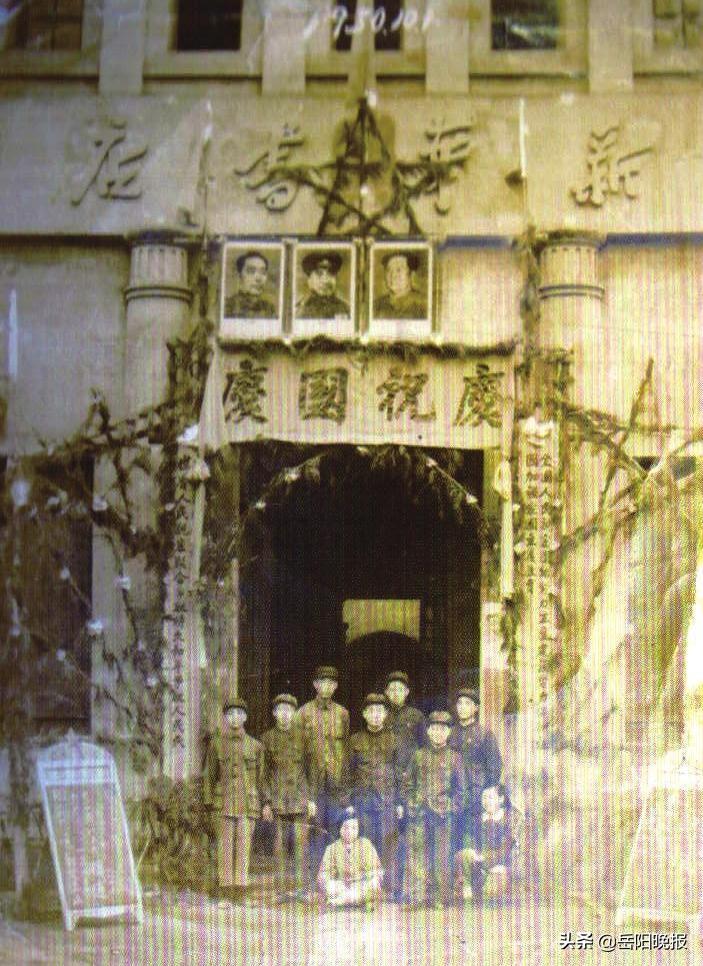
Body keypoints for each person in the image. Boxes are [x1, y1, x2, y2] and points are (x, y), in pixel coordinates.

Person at [203, 697, 263, 905]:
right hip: (224, 804)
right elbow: (209, 776)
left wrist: (261, 804)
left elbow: (261, 779)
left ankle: (241, 893)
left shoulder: (255, 746)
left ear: (245, 717)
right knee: (225, 849)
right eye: (230, 714)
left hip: (247, 804)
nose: (235, 717)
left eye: (239, 713)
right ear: (226, 718)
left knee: (243, 848)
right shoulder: (216, 745)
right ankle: (226, 894)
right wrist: (209, 804)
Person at [403, 710, 465, 908]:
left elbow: (461, 791)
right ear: (428, 731)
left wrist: (449, 807)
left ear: (449, 732)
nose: (438, 733)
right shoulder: (418, 755)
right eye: (434, 729)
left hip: (442, 815)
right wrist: (412, 804)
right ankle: (416, 897)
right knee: (417, 855)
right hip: (420, 813)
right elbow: (407, 784)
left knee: (441, 857)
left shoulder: (455, 758)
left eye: (443, 729)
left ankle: (440, 898)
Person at [261, 693, 316, 901]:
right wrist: (266, 802)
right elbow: (264, 774)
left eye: (289, 710)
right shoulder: (267, 739)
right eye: (280, 710)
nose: (285, 714)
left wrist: (311, 799)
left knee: (302, 846)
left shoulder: (304, 737)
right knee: (279, 847)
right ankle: (281, 891)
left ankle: (302, 890)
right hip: (278, 801)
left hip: (300, 799)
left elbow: (311, 770)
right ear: (274, 713)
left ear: (294, 713)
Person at [297, 665, 350, 883]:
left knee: (335, 829)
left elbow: (345, 752)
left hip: (335, 784)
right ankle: (313, 880)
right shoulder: (303, 713)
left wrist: (345, 790)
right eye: (322, 682)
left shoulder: (343, 714)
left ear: (335, 686)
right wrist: (306, 793)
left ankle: (334, 877)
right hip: (313, 784)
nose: (326, 686)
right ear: (315, 685)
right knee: (314, 831)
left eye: (331, 683)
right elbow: (298, 755)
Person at [346, 693, 402, 891]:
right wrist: (349, 802)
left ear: (386, 714)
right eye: (371, 711)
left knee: (388, 842)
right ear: (364, 714)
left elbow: (400, 772)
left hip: (387, 800)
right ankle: (366, 886)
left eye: (379, 711)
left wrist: (400, 802)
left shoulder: (394, 740)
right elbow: (348, 772)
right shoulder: (355, 740)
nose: (375, 715)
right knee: (365, 842)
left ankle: (389, 886)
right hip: (363, 801)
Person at [383, 670, 425, 899]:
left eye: (400, 689)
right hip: (387, 784)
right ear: (386, 692)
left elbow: (424, 749)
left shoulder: (416, 717)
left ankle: (409, 887)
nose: (396, 693)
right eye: (392, 689)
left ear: (407, 692)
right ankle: (390, 887)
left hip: (409, 784)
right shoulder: (381, 715)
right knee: (389, 837)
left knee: (410, 837)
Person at [449, 687, 503, 853]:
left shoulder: (484, 734)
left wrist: (485, 793)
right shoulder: (450, 734)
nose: (462, 707)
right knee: (454, 843)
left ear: (476, 708)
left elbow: (495, 766)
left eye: (467, 703)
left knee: (477, 843)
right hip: (454, 796)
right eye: (459, 703)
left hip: (476, 797)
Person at [454, 784, 518, 902]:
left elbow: (509, 847)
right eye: (484, 797)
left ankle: (483, 888)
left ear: (501, 799)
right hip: (478, 863)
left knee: (490, 893)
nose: (486, 801)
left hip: (501, 864)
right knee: (463, 855)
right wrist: (474, 855)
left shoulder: (510, 818)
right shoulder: (477, 819)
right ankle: (467, 886)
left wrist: (501, 865)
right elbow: (469, 841)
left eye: (490, 797)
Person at [317, 807, 383, 909]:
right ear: (339, 828)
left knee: (373, 884)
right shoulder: (332, 848)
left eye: (354, 828)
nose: (349, 831)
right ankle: (352, 900)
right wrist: (335, 883)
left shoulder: (366, 845)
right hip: (341, 887)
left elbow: (376, 870)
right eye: (345, 827)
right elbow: (324, 873)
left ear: (358, 829)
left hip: (361, 886)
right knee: (329, 886)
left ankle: (342, 901)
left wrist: (365, 877)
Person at [296, 251, 350, 319]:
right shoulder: (299, 310)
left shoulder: (346, 309)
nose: (325, 280)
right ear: (309, 281)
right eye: (319, 274)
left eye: (331, 273)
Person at [373, 251, 426, 320]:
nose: (393, 276)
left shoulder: (423, 304)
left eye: (398, 270)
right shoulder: (376, 305)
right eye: (389, 271)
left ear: (412, 275)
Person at [224, 250, 277, 318]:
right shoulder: (227, 306)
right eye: (251, 271)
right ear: (239, 277)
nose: (258, 278)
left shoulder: (269, 308)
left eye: (263, 272)